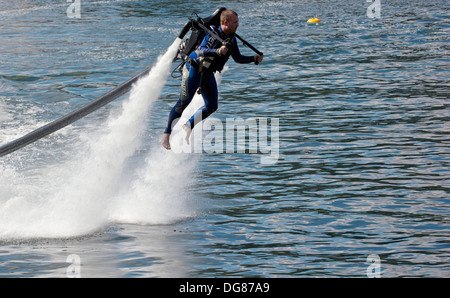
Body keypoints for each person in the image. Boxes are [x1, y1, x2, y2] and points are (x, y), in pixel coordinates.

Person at [161, 9, 264, 150]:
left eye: (238, 22)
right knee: (184, 103)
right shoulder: (212, 34)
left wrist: (253, 58)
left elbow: (238, 58)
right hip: (194, 69)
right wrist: (217, 51)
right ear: (225, 22)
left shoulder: (232, 39)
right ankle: (166, 133)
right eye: (235, 22)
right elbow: (198, 52)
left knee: (212, 106)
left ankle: (188, 126)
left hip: (207, 73)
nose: (238, 25)